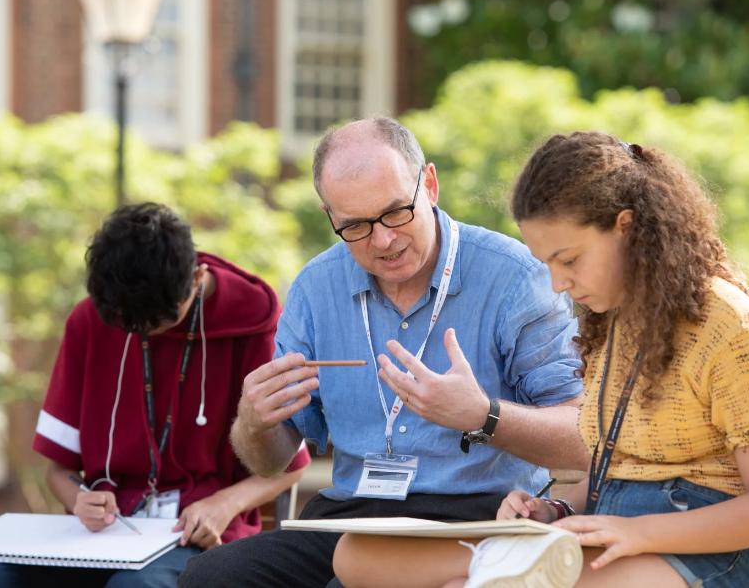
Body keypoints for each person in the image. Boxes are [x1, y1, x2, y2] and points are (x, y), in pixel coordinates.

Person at [332, 131, 749, 588]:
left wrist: (639, 534)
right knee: (360, 556)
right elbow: (611, 464)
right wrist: (554, 510)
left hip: (703, 554)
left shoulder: (727, 323)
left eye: (570, 260)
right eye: (548, 265)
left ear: (627, 228)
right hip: (608, 535)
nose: (558, 284)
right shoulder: (611, 322)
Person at [178, 118, 588, 588]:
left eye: (396, 212)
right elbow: (272, 460)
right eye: (354, 226)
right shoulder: (315, 288)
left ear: (429, 185)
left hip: (476, 517)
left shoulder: (516, 277)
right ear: (330, 216)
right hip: (351, 515)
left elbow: (582, 434)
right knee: (210, 578)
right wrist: (253, 423)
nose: (383, 241)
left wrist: (484, 415)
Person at [0, 202, 310, 588]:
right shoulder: (93, 317)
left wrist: (222, 505)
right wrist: (79, 499)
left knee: (134, 587)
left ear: (197, 278)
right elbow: (58, 471)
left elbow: (290, 468)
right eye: (128, 325)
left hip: (198, 534)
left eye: (158, 322)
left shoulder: (254, 323)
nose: (143, 333)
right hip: (102, 538)